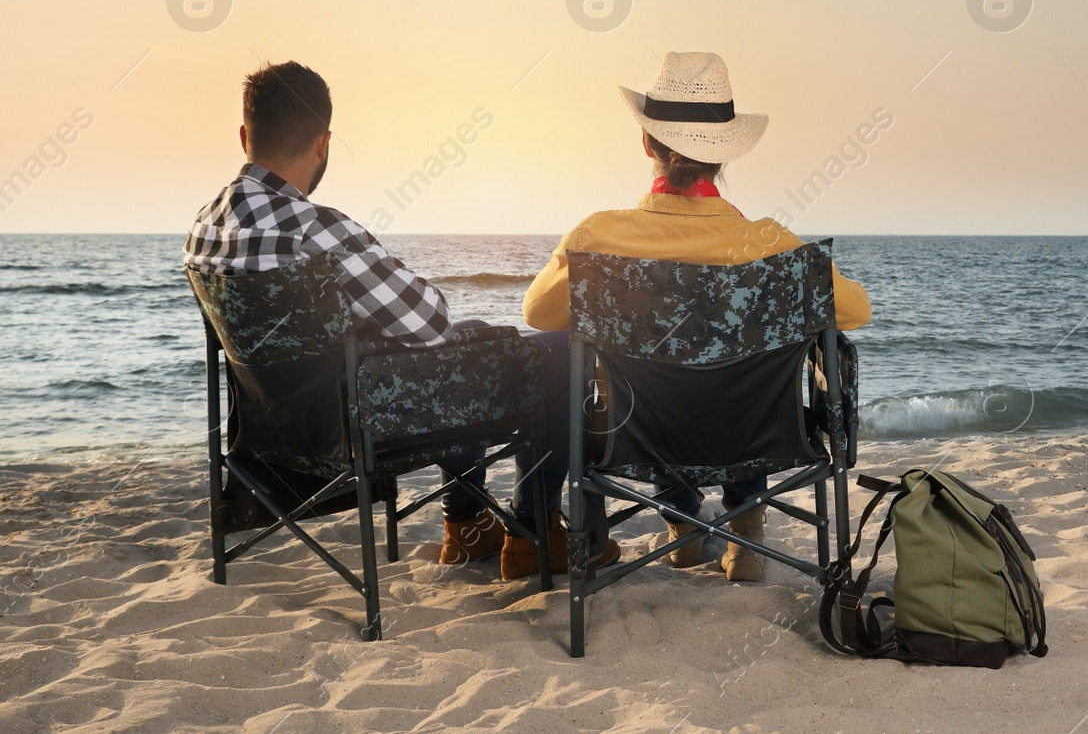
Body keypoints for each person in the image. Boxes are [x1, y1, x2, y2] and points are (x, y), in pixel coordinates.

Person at [184, 61, 616, 580]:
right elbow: (429, 322)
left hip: (272, 435)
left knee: (472, 338)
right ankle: (528, 534)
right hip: (357, 428)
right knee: (554, 353)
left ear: (243, 136)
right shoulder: (318, 229)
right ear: (322, 142)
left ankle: (471, 526)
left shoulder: (202, 230)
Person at [523, 51, 872, 582]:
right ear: (725, 157)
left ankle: (681, 527)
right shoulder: (771, 245)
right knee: (740, 388)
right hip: (757, 435)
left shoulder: (597, 237)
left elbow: (539, 314)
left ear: (647, 143)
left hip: (634, 435)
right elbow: (856, 311)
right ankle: (746, 536)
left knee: (651, 393)